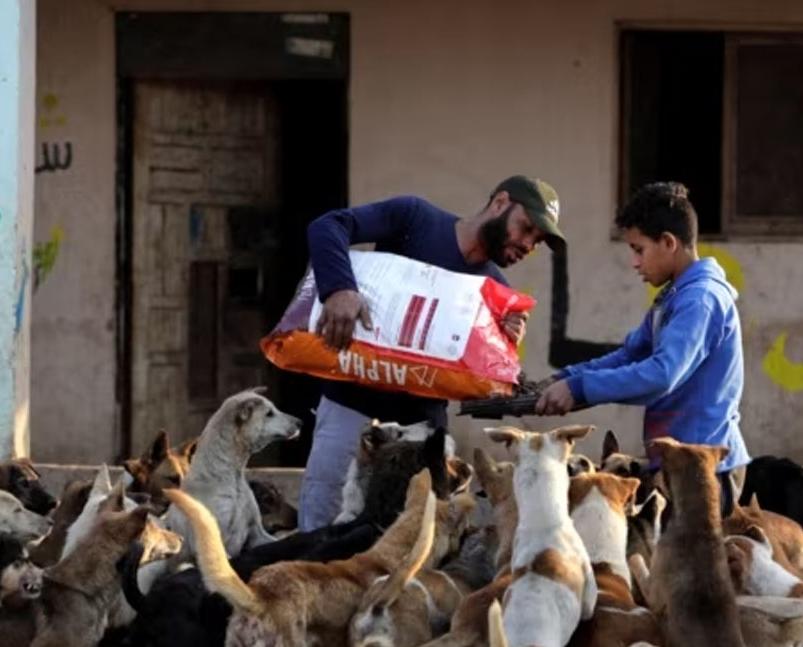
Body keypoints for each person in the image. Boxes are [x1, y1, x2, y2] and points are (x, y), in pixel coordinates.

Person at [298, 176, 566, 530]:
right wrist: (339, 289)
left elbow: (475, 390)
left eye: (537, 241)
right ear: (500, 203)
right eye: (527, 228)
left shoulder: (497, 293)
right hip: (349, 405)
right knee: (319, 528)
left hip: (421, 432)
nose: (528, 244)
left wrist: (500, 356)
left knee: (411, 541)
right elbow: (328, 226)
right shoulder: (414, 218)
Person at [536, 181, 749, 512]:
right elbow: (629, 355)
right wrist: (563, 379)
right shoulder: (674, 297)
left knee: (694, 564)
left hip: (705, 469)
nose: (635, 262)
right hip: (679, 465)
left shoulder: (700, 300)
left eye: (639, 249)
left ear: (668, 242)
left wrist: (579, 388)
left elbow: (661, 375)